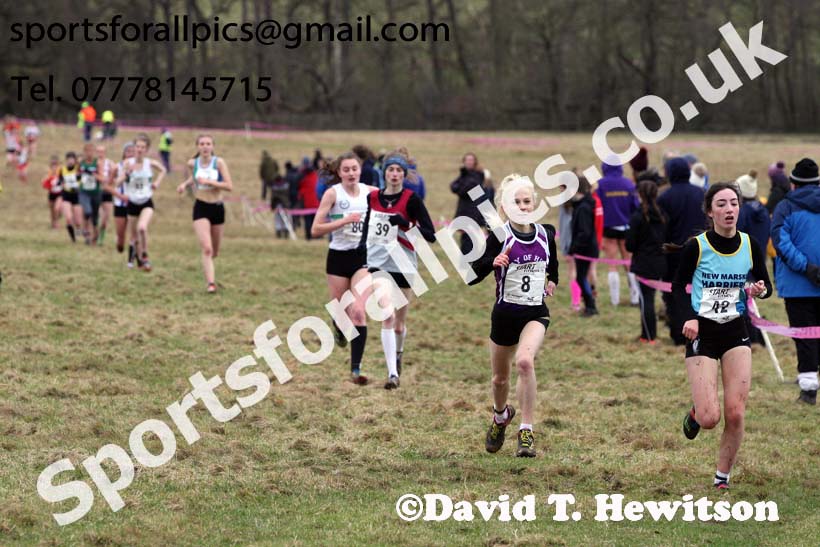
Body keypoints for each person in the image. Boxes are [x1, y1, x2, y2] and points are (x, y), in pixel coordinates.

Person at [675, 182, 772, 489]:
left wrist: (759, 289)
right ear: (710, 211)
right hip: (703, 330)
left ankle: (722, 477)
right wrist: (689, 317)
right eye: (722, 204)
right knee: (709, 418)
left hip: (735, 329)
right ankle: (695, 412)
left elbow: (766, 286)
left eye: (734, 203)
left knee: (736, 412)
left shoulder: (750, 244)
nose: (729, 209)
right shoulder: (697, 246)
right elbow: (678, 287)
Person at [469, 174, 558, 457]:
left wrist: (552, 280)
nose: (522, 205)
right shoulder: (499, 236)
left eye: (526, 200)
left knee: (525, 362)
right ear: (505, 208)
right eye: (515, 202)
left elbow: (552, 262)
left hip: (535, 313)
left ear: (534, 203)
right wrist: (491, 262)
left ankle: (526, 430)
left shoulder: (546, 233)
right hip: (505, 314)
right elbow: (471, 275)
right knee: (499, 379)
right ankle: (500, 416)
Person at [359, 152, 436, 389]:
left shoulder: (412, 199)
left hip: (404, 264)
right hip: (378, 263)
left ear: (404, 175)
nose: (394, 174)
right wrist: (362, 253)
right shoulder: (372, 198)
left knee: (400, 324)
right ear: (384, 173)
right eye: (390, 170)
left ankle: (399, 353)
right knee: (388, 315)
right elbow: (367, 227)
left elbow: (431, 236)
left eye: (398, 171)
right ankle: (392, 374)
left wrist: (405, 223)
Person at [310, 152, 374, 385]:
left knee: (358, 310)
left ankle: (356, 370)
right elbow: (315, 229)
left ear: (360, 170)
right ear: (339, 172)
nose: (351, 173)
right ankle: (337, 326)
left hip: (363, 257)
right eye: (346, 169)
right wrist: (344, 221)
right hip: (337, 257)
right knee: (341, 311)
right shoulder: (332, 194)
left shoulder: (370, 192)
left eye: (354, 169)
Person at [771, 158, 820, 405]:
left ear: (793, 183)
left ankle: (809, 390)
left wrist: (806, 268)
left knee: (805, 337)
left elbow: (780, 242)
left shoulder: (785, 207)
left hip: (797, 285)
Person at [658, 157, 707, 345]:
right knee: (701, 292)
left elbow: (663, 229)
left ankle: (680, 334)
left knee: (674, 293)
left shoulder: (664, 197)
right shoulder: (702, 194)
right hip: (702, 252)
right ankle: (702, 330)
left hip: (674, 254)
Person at [177, 134, 233, 293]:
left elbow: (229, 186)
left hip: (217, 207)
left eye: (208, 143)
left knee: (214, 251)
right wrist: (183, 184)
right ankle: (211, 284)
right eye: (202, 144)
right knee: (207, 248)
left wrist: (209, 182)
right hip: (201, 206)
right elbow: (194, 178)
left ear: (213, 146)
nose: (205, 146)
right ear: (197, 147)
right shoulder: (192, 163)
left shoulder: (219, 163)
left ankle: (210, 268)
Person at [113, 133, 166, 271]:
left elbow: (163, 170)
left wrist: (157, 183)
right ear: (134, 147)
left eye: (143, 147)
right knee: (134, 237)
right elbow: (117, 183)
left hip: (146, 202)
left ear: (146, 149)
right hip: (132, 203)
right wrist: (126, 174)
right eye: (137, 146)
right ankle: (140, 262)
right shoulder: (127, 163)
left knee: (142, 227)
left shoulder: (150, 163)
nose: (139, 149)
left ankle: (145, 254)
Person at [626, 181, 667, 344]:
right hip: (661, 262)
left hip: (644, 264)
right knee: (651, 298)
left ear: (640, 195)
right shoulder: (663, 214)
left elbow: (630, 245)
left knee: (646, 300)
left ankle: (648, 336)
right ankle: (648, 333)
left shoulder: (637, 217)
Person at [596, 159, 640, 306]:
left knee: (612, 264)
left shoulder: (600, 185)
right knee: (629, 264)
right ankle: (635, 299)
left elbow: (597, 207)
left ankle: (615, 301)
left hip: (608, 229)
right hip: (626, 228)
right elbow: (636, 207)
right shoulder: (628, 184)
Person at [569, 177, 599, 316]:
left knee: (581, 278)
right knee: (581, 278)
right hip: (585, 248)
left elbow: (584, 232)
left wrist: (574, 247)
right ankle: (590, 305)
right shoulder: (581, 205)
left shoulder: (583, 208)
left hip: (584, 249)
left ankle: (591, 306)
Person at [450, 153, 488, 256]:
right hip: (464, 211)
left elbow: (463, 190)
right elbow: (453, 186)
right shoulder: (464, 174)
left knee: (470, 239)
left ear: (475, 162)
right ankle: (466, 261)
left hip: (474, 213)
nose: (469, 162)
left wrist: (460, 187)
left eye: (471, 160)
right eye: (467, 160)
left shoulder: (478, 175)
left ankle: (468, 261)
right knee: (465, 238)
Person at [108, 142, 135, 259]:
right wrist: (120, 196)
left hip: (135, 203)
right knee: (121, 237)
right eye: (128, 151)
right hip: (120, 204)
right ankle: (120, 243)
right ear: (124, 153)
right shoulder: (116, 167)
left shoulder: (140, 167)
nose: (130, 154)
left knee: (135, 233)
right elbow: (107, 186)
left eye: (133, 151)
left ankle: (134, 258)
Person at [78, 143, 102, 244]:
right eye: (87, 151)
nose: (89, 153)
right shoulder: (81, 163)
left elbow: (102, 178)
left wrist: (93, 174)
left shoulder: (97, 163)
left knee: (95, 217)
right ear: (84, 152)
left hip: (95, 192)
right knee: (87, 211)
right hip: (84, 191)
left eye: (91, 151)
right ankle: (86, 233)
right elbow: (76, 175)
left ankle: (95, 237)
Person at [59, 152, 83, 242]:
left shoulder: (79, 169)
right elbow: (60, 181)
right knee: (68, 218)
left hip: (77, 195)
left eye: (72, 159)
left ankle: (80, 236)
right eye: (68, 159)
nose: (70, 161)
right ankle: (73, 239)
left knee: (78, 222)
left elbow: (82, 178)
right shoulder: (62, 169)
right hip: (66, 195)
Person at [96, 145, 115, 245]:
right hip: (96, 192)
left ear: (105, 152)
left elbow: (116, 174)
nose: (100, 154)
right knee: (98, 216)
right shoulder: (93, 164)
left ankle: (101, 236)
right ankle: (94, 236)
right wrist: (101, 178)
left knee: (106, 218)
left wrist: (111, 179)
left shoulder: (110, 163)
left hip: (107, 192)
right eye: (98, 151)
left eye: (102, 151)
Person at [297, 160, 319, 240]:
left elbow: (300, 192)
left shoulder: (304, 180)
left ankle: (309, 236)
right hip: (316, 203)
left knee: (308, 221)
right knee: (315, 221)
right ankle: (316, 236)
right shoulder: (316, 177)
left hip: (307, 204)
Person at [41, 155, 63, 229]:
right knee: (52, 211)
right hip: (51, 194)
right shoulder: (48, 174)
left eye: (55, 165)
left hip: (60, 194)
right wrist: (46, 181)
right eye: (52, 165)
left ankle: (57, 223)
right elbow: (44, 184)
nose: (54, 167)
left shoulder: (61, 172)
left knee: (57, 208)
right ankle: (53, 224)